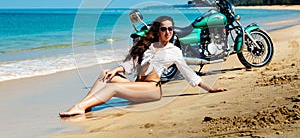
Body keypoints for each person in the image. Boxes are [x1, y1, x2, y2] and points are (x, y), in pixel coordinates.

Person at [59, 16, 227, 117]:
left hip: (151, 90)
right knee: (105, 74)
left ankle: (79, 107)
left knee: (114, 88)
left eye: (170, 29)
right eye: (164, 29)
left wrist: (210, 89)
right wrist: (116, 69)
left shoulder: (174, 51)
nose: (168, 32)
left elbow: (189, 74)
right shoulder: (148, 45)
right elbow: (131, 64)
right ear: (158, 31)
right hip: (137, 85)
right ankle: (85, 106)